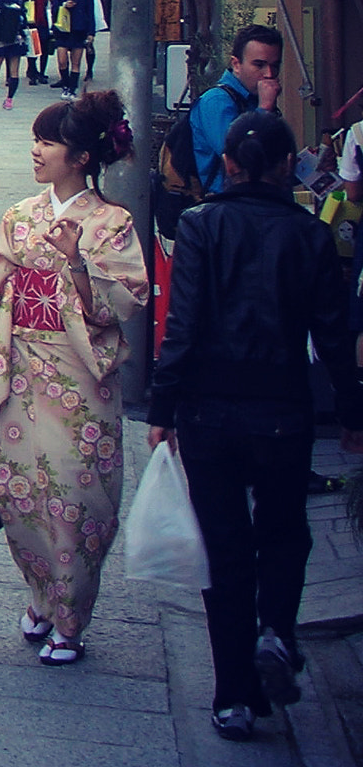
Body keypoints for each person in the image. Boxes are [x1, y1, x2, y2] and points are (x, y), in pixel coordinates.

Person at [149, 111, 363, 741]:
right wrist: (352, 416)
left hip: (209, 414)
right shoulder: (309, 235)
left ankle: (231, 697)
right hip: (284, 413)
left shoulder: (200, 226)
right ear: (284, 166)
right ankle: (276, 629)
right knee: (284, 533)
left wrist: (162, 410)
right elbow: (333, 335)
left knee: (225, 546)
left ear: (230, 165)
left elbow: (181, 326)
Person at [0, 92, 146, 667]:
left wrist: (78, 263)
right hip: (23, 371)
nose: (35, 150)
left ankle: (71, 618)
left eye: (48, 142)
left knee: (77, 499)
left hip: (79, 378)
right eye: (36, 140)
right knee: (20, 495)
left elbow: (123, 307)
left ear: (82, 156)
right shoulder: (19, 216)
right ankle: (41, 595)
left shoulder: (112, 222)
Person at [191, 25, 285, 194]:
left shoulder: (253, 99)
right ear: (236, 64)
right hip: (231, 207)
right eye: (259, 65)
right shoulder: (216, 101)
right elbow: (242, 157)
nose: (269, 74)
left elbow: (268, 166)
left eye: (274, 65)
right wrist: (264, 109)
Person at [52, 0, 98, 100]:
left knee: (76, 62)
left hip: (79, 29)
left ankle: (72, 88)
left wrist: (91, 32)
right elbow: (54, 10)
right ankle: (65, 84)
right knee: (62, 59)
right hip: (63, 30)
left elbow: (90, 13)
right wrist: (64, 5)